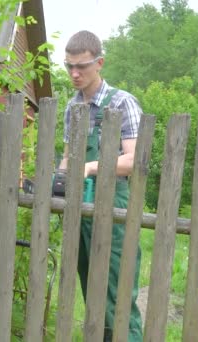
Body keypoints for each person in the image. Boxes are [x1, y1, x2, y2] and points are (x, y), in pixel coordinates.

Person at [58, 30, 143, 342]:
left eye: (81, 66)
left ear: (100, 63)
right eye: (69, 66)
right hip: (81, 211)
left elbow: (134, 160)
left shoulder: (123, 102)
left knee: (117, 296)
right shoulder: (72, 108)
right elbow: (69, 159)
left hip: (115, 210)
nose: (74, 73)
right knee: (90, 290)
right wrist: (56, 182)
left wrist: (92, 166)